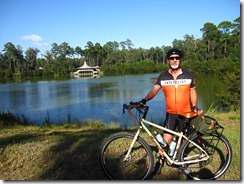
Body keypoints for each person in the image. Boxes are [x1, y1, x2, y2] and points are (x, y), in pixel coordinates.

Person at [138, 48, 202, 173]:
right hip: (171, 113)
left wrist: (194, 106)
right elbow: (154, 91)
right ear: (168, 60)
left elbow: (193, 92)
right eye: (172, 58)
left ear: (180, 59)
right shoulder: (163, 77)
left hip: (185, 112)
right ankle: (160, 161)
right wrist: (143, 101)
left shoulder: (188, 75)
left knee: (182, 139)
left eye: (177, 58)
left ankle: (180, 161)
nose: (175, 60)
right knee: (166, 139)